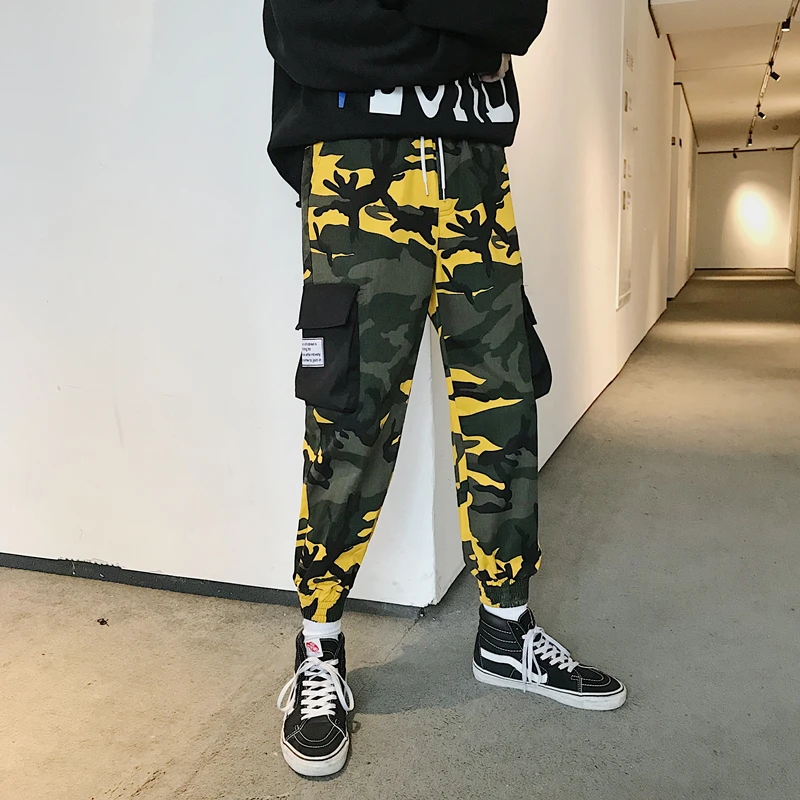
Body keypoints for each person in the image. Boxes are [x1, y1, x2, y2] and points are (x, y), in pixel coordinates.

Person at [263, 0, 627, 778]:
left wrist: (414, 33)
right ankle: (319, 646)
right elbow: (303, 29)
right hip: (358, 169)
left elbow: (518, 15)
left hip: (474, 170)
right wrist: (467, 41)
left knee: (504, 403)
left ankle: (505, 631)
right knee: (349, 416)